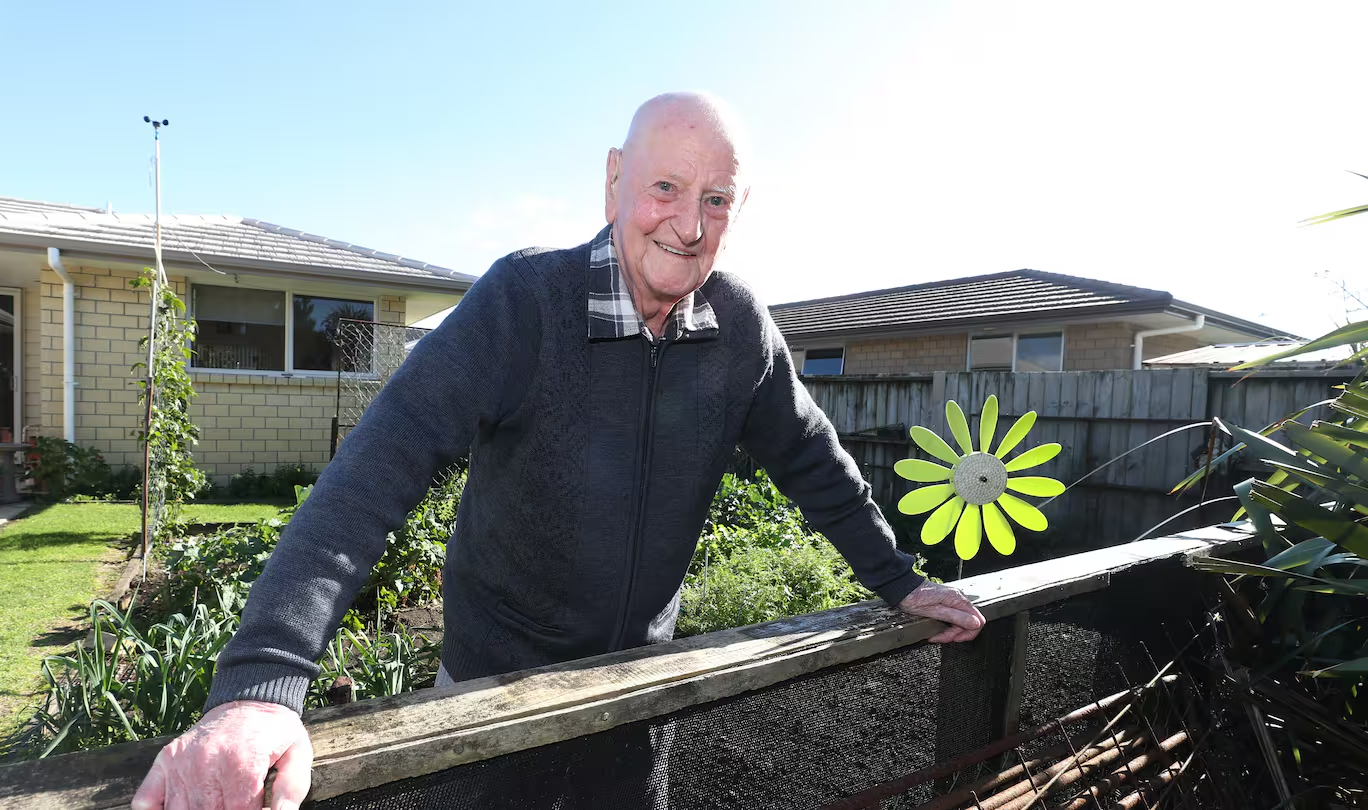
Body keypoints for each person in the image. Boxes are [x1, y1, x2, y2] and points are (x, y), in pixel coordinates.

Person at [132, 92, 985, 810]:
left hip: (634, 703)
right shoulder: (525, 303)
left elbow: (813, 461)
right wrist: (260, 685)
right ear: (614, 180)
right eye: (665, 187)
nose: (689, 226)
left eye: (716, 200)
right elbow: (372, 474)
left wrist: (900, 582)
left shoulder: (738, 332)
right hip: (489, 707)